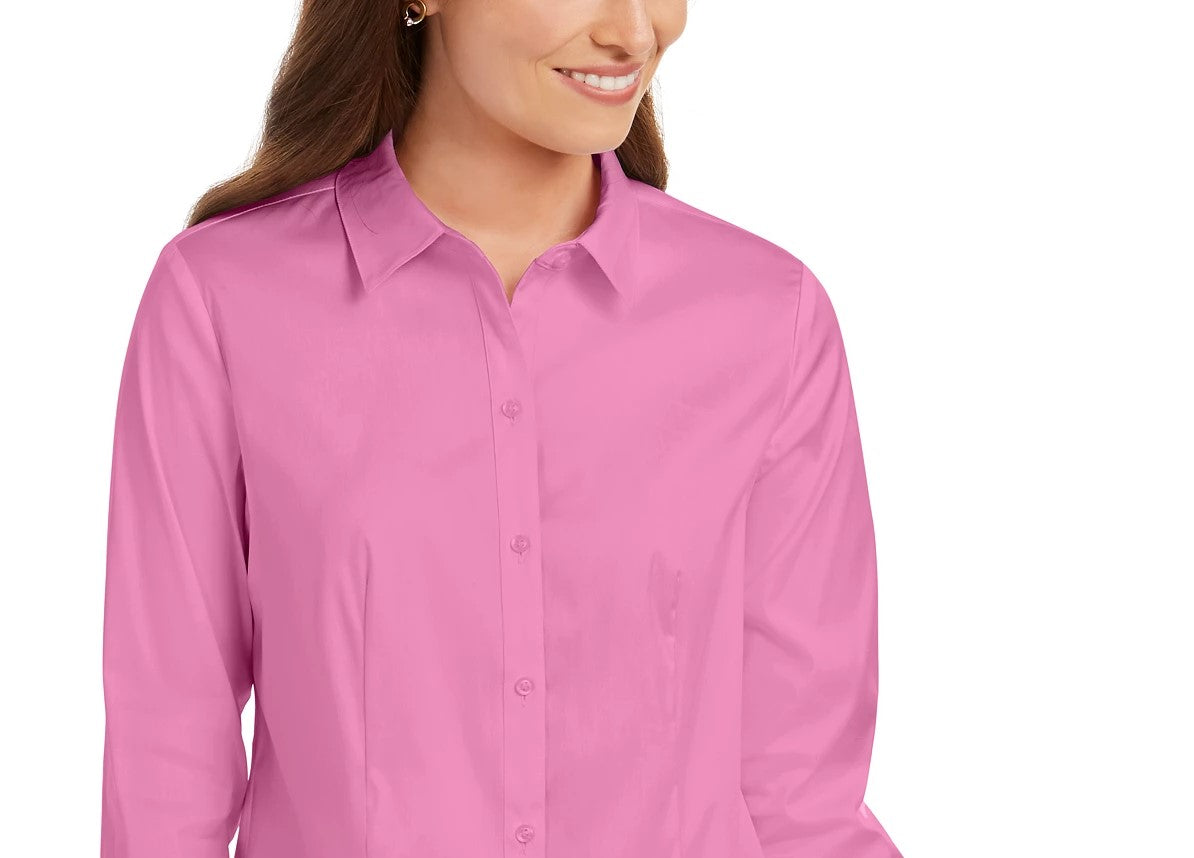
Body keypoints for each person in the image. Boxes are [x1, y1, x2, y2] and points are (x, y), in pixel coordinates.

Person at [100, 1, 904, 856]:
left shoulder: (765, 319)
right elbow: (164, 770)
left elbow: (803, 802)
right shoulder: (226, 301)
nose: (634, 33)